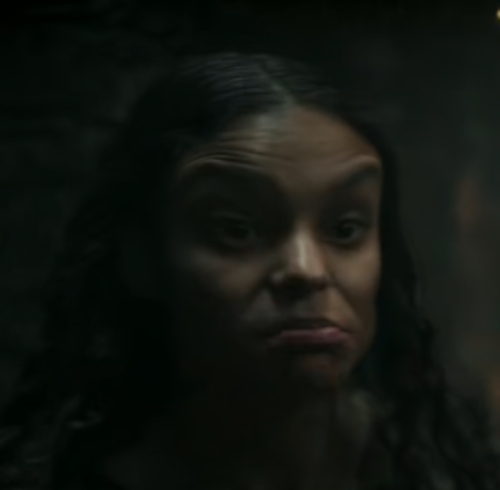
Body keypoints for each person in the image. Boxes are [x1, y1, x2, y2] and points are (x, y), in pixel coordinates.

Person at [0, 52, 498, 490]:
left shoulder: (439, 466)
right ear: (143, 259)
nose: (305, 270)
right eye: (236, 229)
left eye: (345, 229)